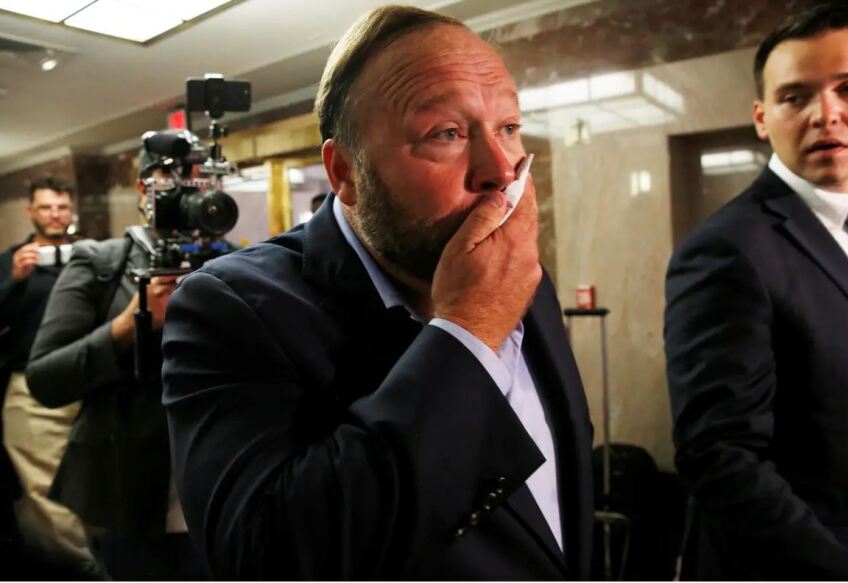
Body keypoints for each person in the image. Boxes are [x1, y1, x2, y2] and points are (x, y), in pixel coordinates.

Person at [161, 5, 594, 579]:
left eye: (508, 128)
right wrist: (469, 330)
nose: (501, 169)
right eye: (447, 133)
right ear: (344, 172)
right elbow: (267, 558)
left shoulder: (521, 280)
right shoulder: (228, 307)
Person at [664, 4, 848, 579]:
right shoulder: (726, 249)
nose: (826, 114)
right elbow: (721, 459)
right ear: (762, 117)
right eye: (795, 97)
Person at [25, 153, 200, 580]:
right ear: (144, 190)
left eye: (198, 186)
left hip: (215, 485)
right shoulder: (101, 263)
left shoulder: (234, 261)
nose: (186, 197)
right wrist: (130, 322)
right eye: (172, 185)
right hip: (127, 485)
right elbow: (46, 378)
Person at [0, 178, 93, 576]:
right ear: (31, 212)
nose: (55, 214)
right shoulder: (11, 260)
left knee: (96, 477)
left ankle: (108, 558)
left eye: (61, 207)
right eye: (46, 207)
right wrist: (14, 281)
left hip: (90, 383)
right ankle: (81, 569)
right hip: (31, 388)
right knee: (42, 486)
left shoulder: (92, 256)